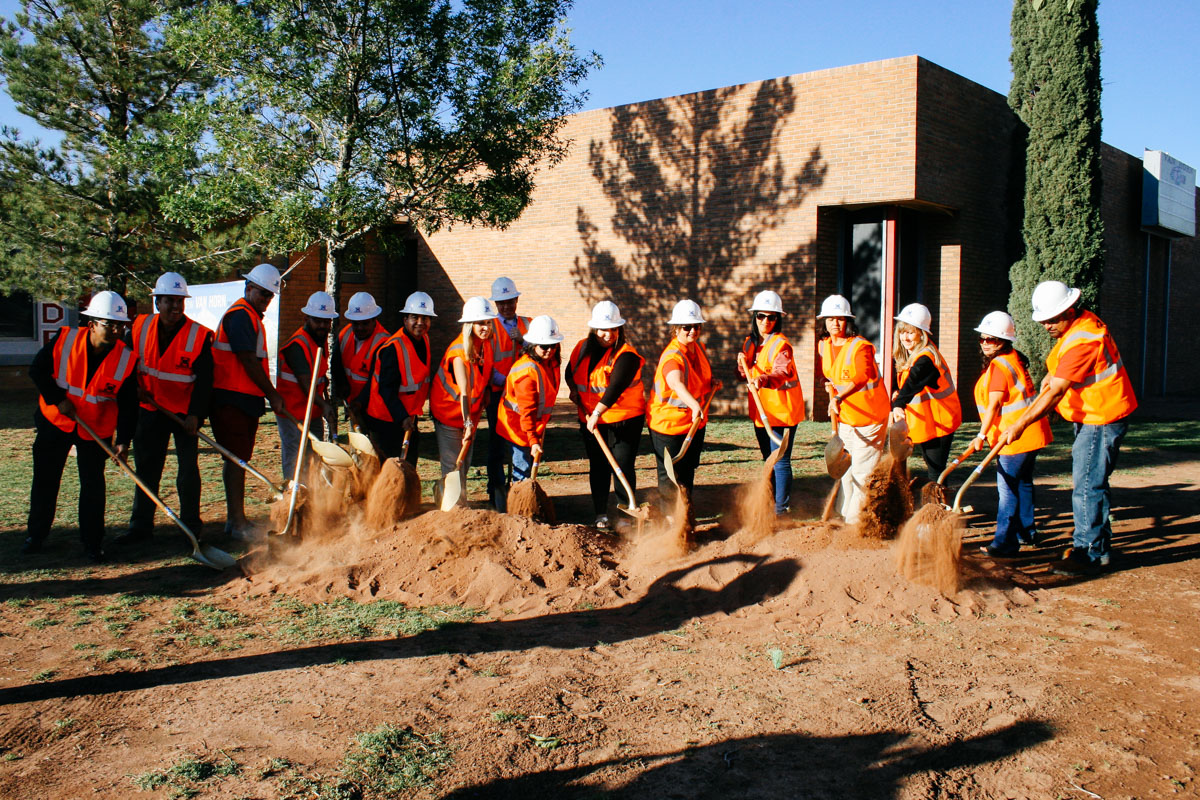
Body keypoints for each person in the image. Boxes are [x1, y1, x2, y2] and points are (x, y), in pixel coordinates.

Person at [999, 281, 1138, 575]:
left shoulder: (1085, 339)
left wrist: (1020, 423)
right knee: (1092, 482)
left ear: (1070, 310)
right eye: (1043, 320)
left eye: (1053, 319)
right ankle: (1096, 546)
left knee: (1087, 485)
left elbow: (1056, 392)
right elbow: (1059, 370)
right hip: (1093, 414)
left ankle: (1088, 553)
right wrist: (1051, 374)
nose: (1047, 325)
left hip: (1101, 416)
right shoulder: (1080, 325)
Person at [25, 291, 139, 562]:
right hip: (56, 421)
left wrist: (123, 440)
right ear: (92, 324)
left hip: (95, 429)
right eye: (108, 324)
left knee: (93, 486)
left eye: (120, 325)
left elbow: (128, 403)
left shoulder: (125, 358)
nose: (115, 330)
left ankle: (92, 543)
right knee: (45, 480)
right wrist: (58, 399)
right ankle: (36, 535)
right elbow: (37, 370)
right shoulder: (65, 340)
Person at [120, 273, 214, 546]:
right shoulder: (138, 327)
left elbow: (205, 381)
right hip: (149, 410)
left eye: (179, 302)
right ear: (157, 301)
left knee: (187, 472)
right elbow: (123, 363)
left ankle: (191, 528)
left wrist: (196, 415)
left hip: (184, 414)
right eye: (169, 301)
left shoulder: (198, 335)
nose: (175, 307)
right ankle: (140, 527)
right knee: (147, 469)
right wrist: (130, 388)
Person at [211, 263, 295, 540]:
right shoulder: (241, 316)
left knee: (240, 459)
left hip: (243, 398)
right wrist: (273, 394)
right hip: (231, 398)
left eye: (270, 296)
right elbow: (247, 360)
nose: (266, 300)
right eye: (262, 293)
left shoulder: (251, 316)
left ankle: (235, 520)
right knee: (236, 460)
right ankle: (236, 521)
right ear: (249, 288)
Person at [969, 311, 1053, 558]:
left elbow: (995, 406)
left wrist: (981, 436)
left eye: (991, 339)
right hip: (1031, 433)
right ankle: (1027, 532)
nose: (985, 343)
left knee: (1007, 490)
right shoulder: (1014, 358)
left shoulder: (999, 366)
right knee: (1023, 484)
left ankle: (1005, 542)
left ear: (1003, 340)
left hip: (1013, 437)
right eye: (983, 339)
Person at [567, 301, 646, 529]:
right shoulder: (582, 348)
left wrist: (597, 413)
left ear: (619, 329)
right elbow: (569, 372)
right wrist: (573, 389)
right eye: (603, 329)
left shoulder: (627, 355)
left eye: (613, 329)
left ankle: (626, 515)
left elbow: (615, 388)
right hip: (592, 421)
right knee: (598, 466)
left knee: (621, 464)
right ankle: (600, 514)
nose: (607, 334)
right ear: (594, 329)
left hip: (624, 420)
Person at [816, 294, 890, 524]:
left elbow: (861, 376)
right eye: (830, 319)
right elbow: (831, 373)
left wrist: (838, 396)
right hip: (846, 417)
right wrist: (826, 384)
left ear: (848, 321)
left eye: (840, 319)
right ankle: (842, 514)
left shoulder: (861, 347)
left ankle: (856, 523)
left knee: (862, 470)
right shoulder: (825, 345)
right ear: (824, 322)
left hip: (870, 417)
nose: (835, 324)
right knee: (846, 470)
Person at [736, 290, 804, 516]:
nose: (766, 321)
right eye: (761, 316)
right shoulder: (750, 343)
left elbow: (781, 372)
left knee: (780, 461)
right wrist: (741, 367)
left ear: (778, 319)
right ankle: (772, 502)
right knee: (768, 459)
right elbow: (743, 375)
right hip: (762, 413)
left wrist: (762, 379)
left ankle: (781, 511)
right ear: (754, 317)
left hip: (782, 412)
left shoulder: (781, 345)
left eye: (771, 317)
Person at [648, 299, 715, 513]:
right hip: (668, 424)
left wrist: (710, 384)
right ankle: (670, 519)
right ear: (676, 328)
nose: (692, 331)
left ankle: (684, 511)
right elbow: (675, 382)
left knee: (687, 470)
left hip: (693, 423)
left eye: (696, 326)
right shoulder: (672, 356)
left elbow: (697, 378)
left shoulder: (699, 348)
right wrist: (694, 404)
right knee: (670, 474)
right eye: (687, 327)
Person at [429, 296, 497, 503]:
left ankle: (459, 501)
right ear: (469, 325)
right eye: (480, 323)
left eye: (487, 322)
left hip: (471, 412)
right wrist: (467, 424)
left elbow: (484, 377)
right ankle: (454, 508)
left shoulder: (485, 346)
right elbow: (464, 391)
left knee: (465, 462)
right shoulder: (459, 353)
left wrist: (485, 393)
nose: (485, 327)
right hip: (449, 413)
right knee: (453, 464)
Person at [496, 315, 564, 510]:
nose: (549, 350)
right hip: (517, 428)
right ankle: (520, 513)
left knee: (524, 470)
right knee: (523, 471)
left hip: (532, 425)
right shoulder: (526, 373)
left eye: (553, 345)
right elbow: (527, 411)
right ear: (532, 344)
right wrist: (533, 440)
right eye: (544, 346)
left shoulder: (549, 362)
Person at [361, 292, 436, 463]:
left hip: (408, 416)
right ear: (405, 320)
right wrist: (402, 417)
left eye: (425, 318)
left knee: (408, 467)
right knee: (388, 470)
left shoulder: (424, 340)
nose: (420, 323)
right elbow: (386, 389)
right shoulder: (392, 349)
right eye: (414, 317)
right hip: (384, 420)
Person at [891, 302, 962, 482]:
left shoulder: (926, 358)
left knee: (935, 471)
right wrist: (897, 393)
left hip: (940, 421)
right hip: (927, 420)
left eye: (910, 332)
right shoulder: (913, 354)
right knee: (932, 467)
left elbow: (914, 380)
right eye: (902, 332)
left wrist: (899, 403)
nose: (905, 337)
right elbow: (908, 382)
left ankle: (940, 507)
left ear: (921, 334)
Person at [277, 291, 339, 481]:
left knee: (313, 458)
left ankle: (312, 501)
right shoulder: (297, 345)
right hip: (292, 414)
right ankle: (293, 499)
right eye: (317, 320)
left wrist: (325, 404)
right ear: (306, 318)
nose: (322, 326)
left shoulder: (319, 343)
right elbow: (307, 386)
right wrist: (326, 406)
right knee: (295, 458)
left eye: (326, 321)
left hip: (312, 412)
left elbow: (320, 380)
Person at [485, 276, 532, 509]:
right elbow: (486, 363)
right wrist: (506, 383)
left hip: (522, 396)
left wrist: (523, 341)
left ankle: (520, 489)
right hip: (498, 394)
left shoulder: (528, 324)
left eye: (509, 301)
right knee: (496, 444)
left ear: (516, 300)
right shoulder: (488, 326)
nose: (506, 306)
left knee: (521, 440)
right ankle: (495, 490)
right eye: (501, 303)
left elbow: (542, 353)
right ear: (496, 304)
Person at [337, 291, 389, 421]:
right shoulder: (345, 334)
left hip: (375, 409)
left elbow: (375, 381)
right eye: (356, 323)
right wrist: (341, 383)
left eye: (365, 323)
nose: (359, 328)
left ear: (374, 320)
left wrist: (360, 402)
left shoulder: (384, 343)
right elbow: (336, 363)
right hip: (353, 404)